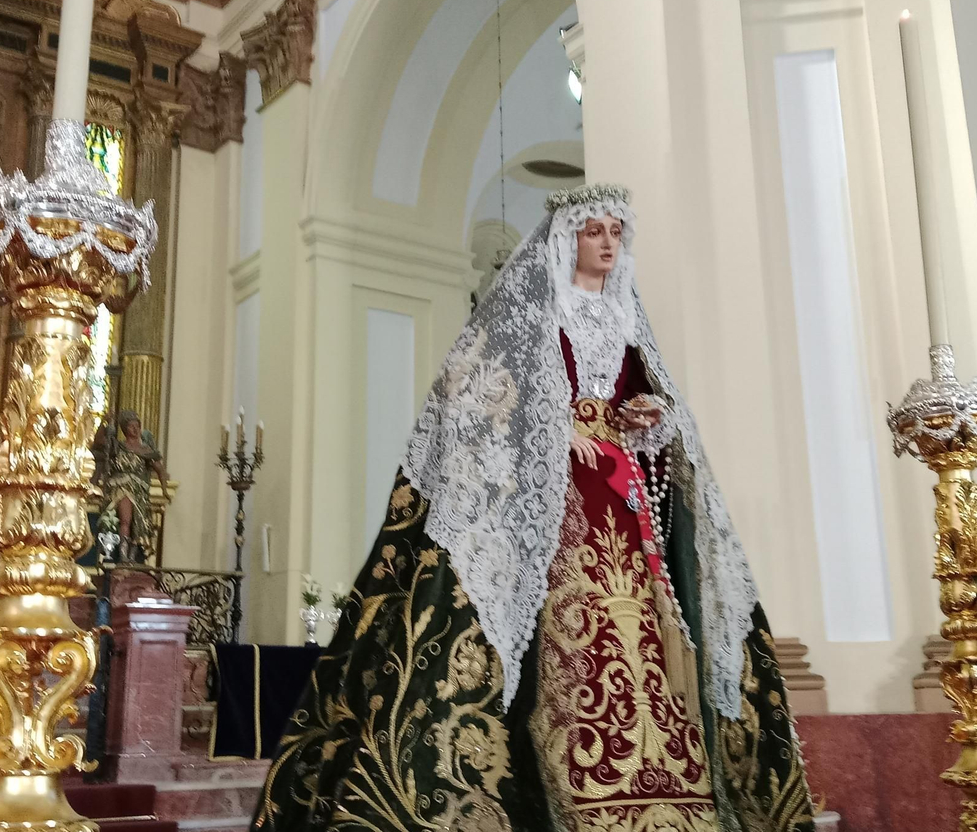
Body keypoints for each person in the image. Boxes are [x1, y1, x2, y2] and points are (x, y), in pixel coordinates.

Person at [251, 184, 815, 832]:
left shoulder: (626, 319)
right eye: (594, 231)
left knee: (641, 630)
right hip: (559, 499)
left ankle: (666, 783)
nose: (607, 243)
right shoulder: (534, 310)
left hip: (622, 498)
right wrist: (552, 426)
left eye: (615, 232)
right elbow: (467, 389)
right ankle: (576, 781)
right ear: (568, 238)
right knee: (574, 626)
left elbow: (648, 398)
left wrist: (648, 415)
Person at [92, 409, 168, 563]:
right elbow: (99, 442)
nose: (135, 429)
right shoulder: (117, 446)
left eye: (137, 426)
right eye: (131, 426)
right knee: (125, 520)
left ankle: (132, 558)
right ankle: (123, 556)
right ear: (124, 429)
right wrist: (104, 422)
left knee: (138, 525)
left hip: (140, 492)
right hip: (123, 487)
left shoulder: (146, 450)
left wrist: (164, 489)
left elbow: (160, 469)